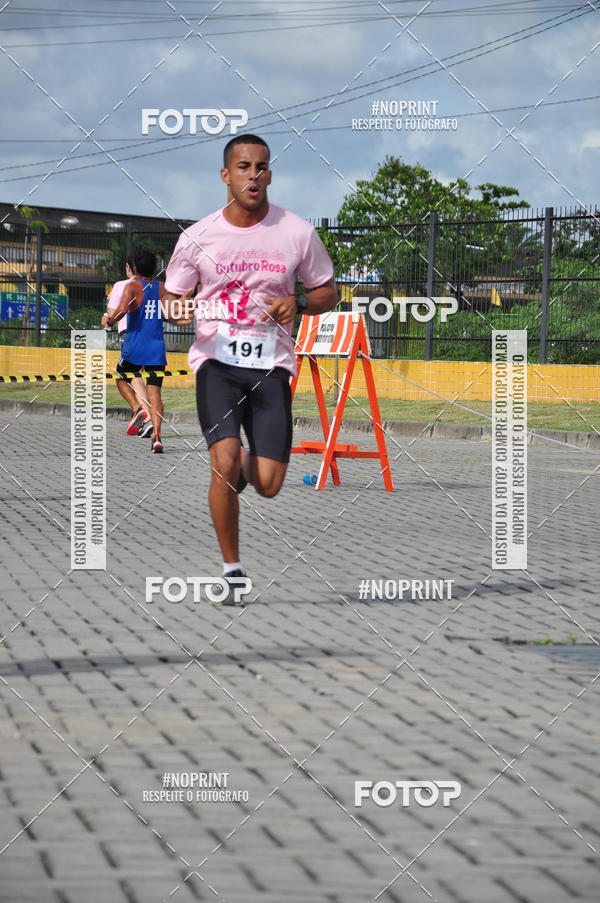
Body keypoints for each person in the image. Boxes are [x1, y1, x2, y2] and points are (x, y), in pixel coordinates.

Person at [164, 133, 337, 603]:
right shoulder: (198, 236)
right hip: (216, 362)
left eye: (261, 167)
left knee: (268, 484)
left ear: (270, 175)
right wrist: (177, 310)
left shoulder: (297, 231)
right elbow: (172, 297)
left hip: (272, 366)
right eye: (243, 167)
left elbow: (328, 291)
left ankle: (244, 464)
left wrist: (298, 301)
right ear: (226, 175)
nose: (253, 175)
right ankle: (233, 570)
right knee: (221, 462)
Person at [104, 249, 169, 453]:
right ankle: (157, 438)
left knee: (121, 377)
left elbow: (122, 309)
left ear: (134, 268)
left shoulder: (132, 285)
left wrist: (110, 320)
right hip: (156, 347)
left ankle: (138, 409)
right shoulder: (162, 288)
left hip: (135, 345)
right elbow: (168, 314)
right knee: (155, 394)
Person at [102, 257, 152, 437]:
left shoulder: (121, 285)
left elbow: (112, 314)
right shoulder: (151, 286)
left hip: (130, 334)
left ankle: (144, 416)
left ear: (129, 267)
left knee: (128, 376)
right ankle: (145, 420)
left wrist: (106, 318)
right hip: (150, 336)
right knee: (136, 377)